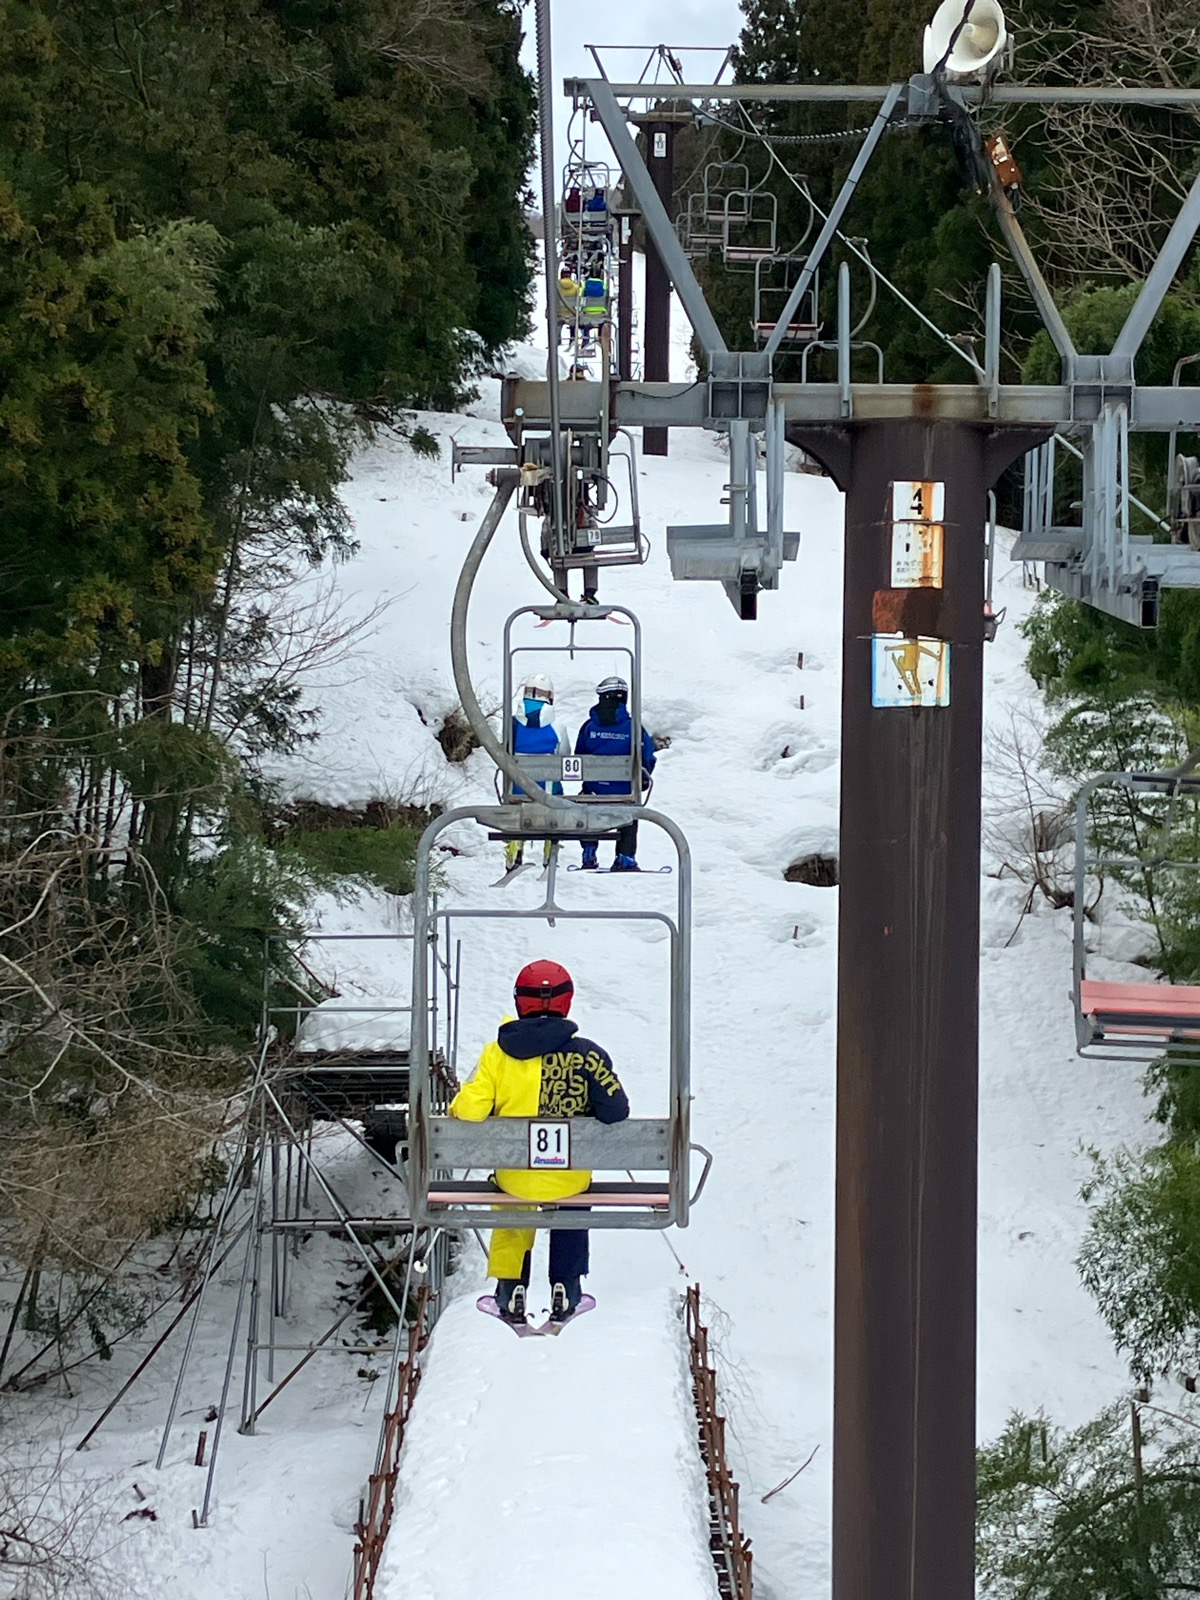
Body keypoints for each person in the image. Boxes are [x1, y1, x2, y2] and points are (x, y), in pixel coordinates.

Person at [449, 960, 629, 1325]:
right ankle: (566, 1287)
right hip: (570, 1178)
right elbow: (615, 1112)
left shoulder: (497, 1055)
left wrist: (459, 1103)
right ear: (567, 1002)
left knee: (511, 1198)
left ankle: (511, 1288)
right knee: (574, 1197)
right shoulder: (589, 1055)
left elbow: (470, 1110)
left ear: (519, 1001)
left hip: (515, 1177)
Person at [575, 676, 656, 871]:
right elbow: (647, 756)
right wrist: (643, 779)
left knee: (587, 802)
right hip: (624, 793)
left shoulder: (589, 727)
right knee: (631, 807)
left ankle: (589, 852)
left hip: (594, 793)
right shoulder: (634, 728)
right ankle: (625, 856)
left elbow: (579, 756)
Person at [505, 673, 569, 872]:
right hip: (547, 790)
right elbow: (565, 754)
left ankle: (515, 845)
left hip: (517, 788)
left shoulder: (512, 724)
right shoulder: (557, 727)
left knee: (515, 795)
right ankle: (551, 847)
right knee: (557, 793)